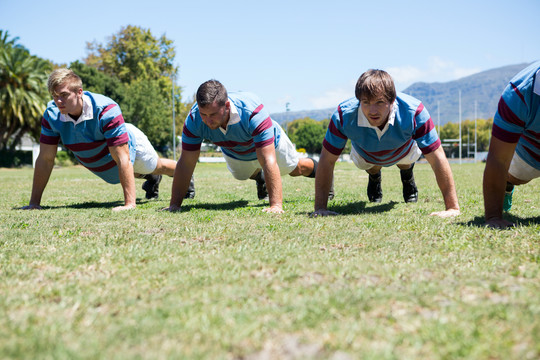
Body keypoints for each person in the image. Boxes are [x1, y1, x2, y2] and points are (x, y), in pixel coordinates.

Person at [22, 68, 194, 212]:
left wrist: (129, 204)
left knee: (156, 166)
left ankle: (185, 177)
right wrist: (34, 204)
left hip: (130, 144)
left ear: (79, 92)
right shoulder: (52, 114)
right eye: (54, 95)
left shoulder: (106, 109)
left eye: (64, 95)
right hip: (104, 162)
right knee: (119, 174)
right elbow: (45, 158)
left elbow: (122, 158)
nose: (58, 101)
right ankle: (152, 179)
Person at [313, 69, 460, 218]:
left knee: (405, 162)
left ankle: (407, 175)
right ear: (359, 100)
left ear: (392, 100)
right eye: (366, 102)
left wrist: (452, 207)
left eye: (380, 102)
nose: (372, 110)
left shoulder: (414, 112)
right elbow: (327, 160)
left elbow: (437, 158)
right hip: (366, 153)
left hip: (404, 150)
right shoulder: (342, 115)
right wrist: (320, 208)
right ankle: (374, 176)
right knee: (372, 167)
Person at [165, 79, 328, 214]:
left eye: (213, 114)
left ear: (227, 106)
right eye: (204, 114)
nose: (208, 120)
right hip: (235, 150)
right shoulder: (194, 119)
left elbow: (268, 159)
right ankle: (261, 178)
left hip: (271, 145)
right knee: (241, 175)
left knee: (295, 168)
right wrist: (175, 205)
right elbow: (186, 163)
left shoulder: (252, 111)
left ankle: (322, 173)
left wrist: (275, 206)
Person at [483, 61, 540, 229]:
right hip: (531, 150)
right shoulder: (519, 93)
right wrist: (493, 217)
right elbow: (499, 159)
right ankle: (508, 183)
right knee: (516, 176)